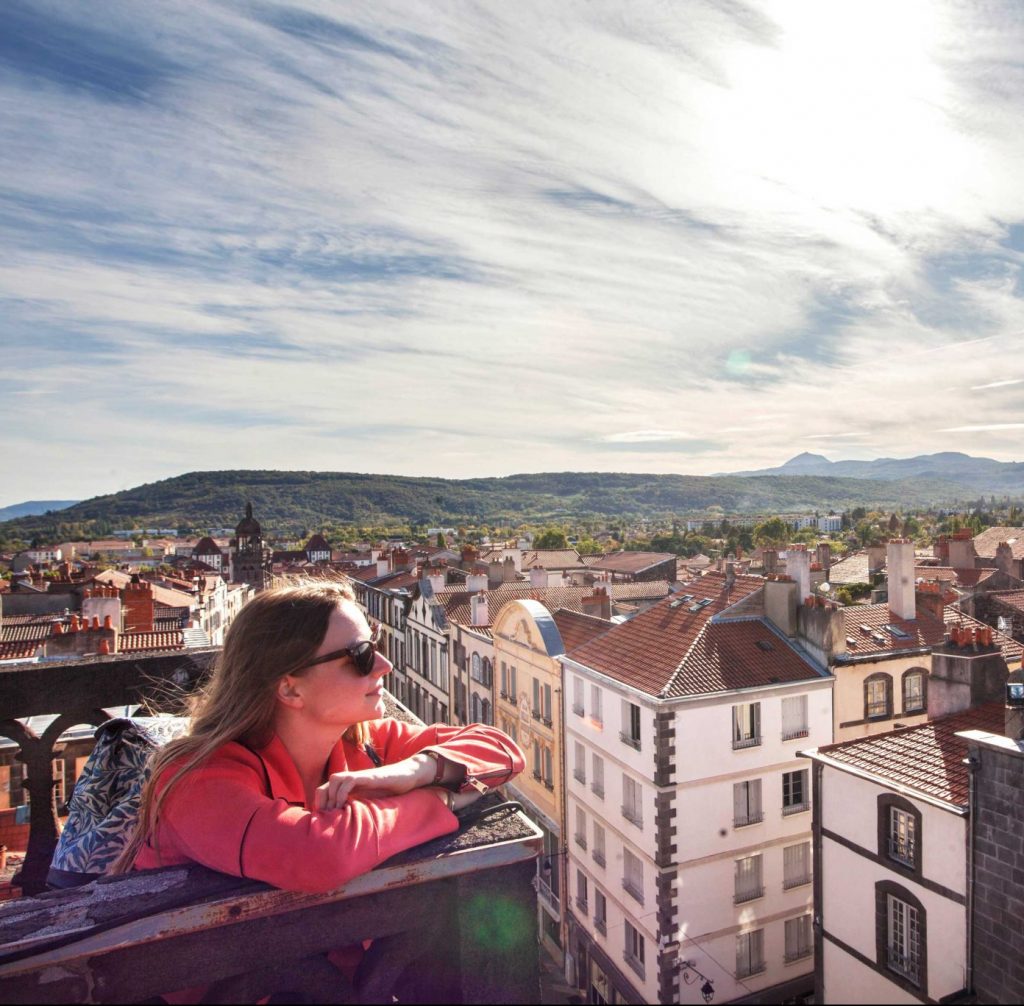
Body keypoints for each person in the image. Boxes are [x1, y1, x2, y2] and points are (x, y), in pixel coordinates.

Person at [114, 580, 525, 894]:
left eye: (375, 644)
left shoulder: (364, 742)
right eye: (360, 655)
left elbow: (504, 751)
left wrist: (415, 770)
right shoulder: (196, 781)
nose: (384, 666)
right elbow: (321, 854)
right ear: (290, 688)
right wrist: (442, 798)